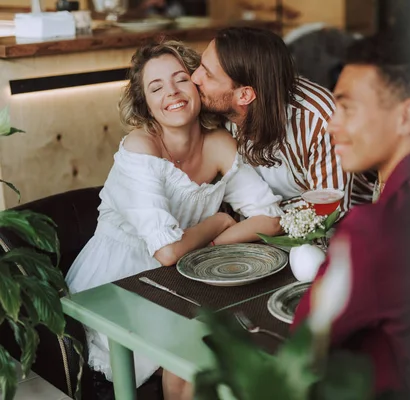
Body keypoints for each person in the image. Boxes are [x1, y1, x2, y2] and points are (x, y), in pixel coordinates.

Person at [65, 40, 283, 389]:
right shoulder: (141, 148)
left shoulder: (219, 144)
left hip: (186, 276)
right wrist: (220, 220)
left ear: (197, 85)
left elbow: (269, 218)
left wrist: (212, 239)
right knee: (189, 359)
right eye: (156, 87)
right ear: (146, 105)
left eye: (180, 79)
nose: (172, 92)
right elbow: (166, 252)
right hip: (120, 283)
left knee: (237, 347)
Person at [291, 33, 410, 398]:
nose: (332, 125)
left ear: (406, 116)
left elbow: (303, 344)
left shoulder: (374, 230)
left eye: (347, 108)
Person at [190, 26, 375, 216]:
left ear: (245, 95)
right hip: (260, 226)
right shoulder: (210, 111)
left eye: (208, 75)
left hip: (339, 226)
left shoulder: (319, 121)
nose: (194, 77)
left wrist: (271, 219)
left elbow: (330, 213)